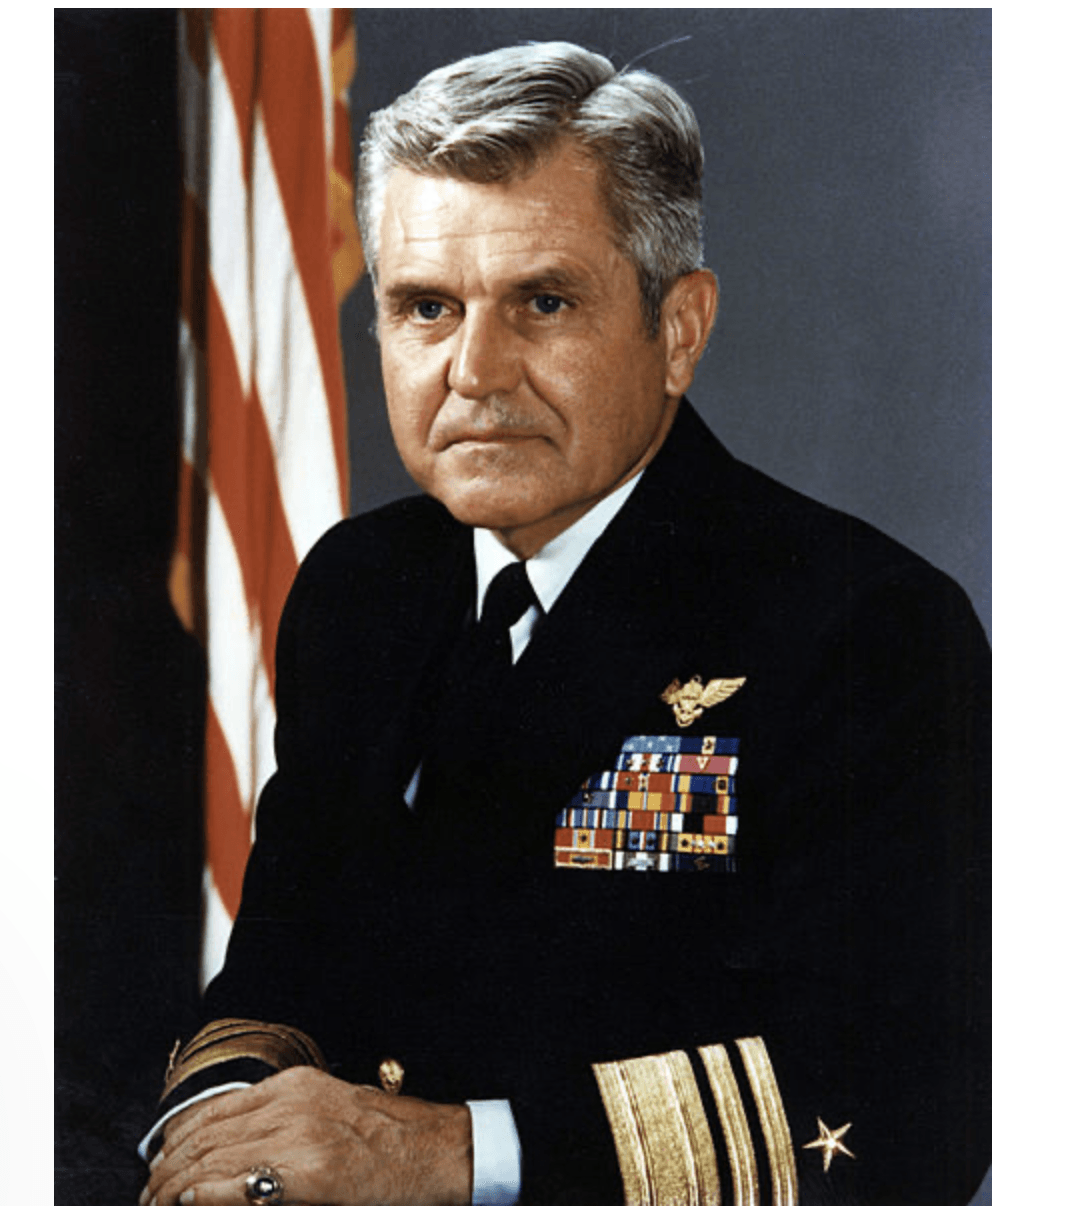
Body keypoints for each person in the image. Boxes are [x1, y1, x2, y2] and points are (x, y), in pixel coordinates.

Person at [140, 42, 989, 1206]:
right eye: (427, 308)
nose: (475, 372)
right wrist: (218, 1129)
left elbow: (913, 1105)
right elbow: (284, 964)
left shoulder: (863, 629)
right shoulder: (362, 589)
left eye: (544, 303)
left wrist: (448, 1154)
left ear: (678, 329)